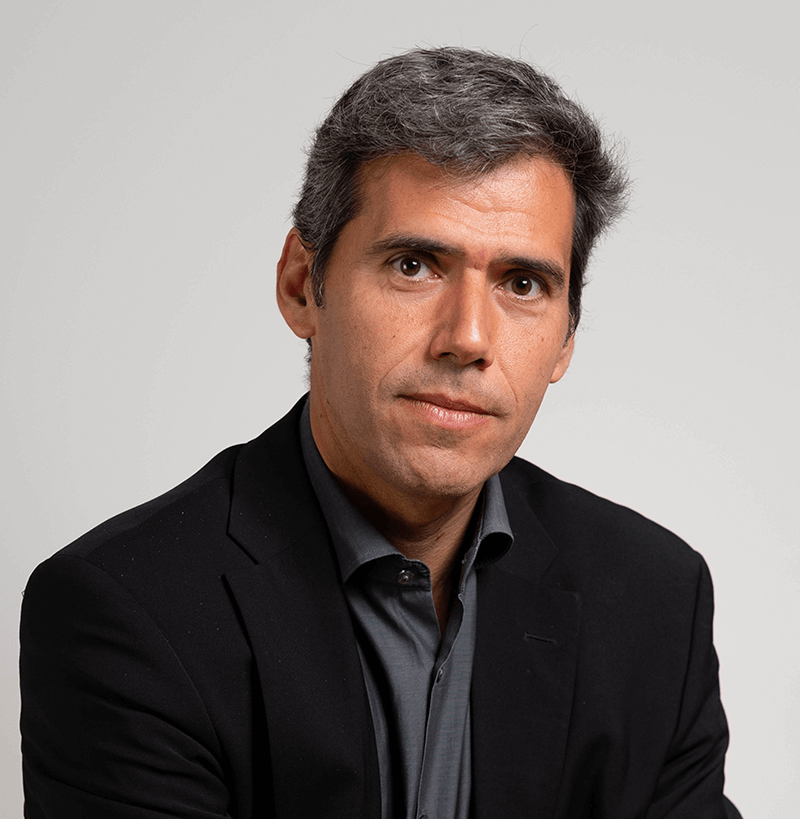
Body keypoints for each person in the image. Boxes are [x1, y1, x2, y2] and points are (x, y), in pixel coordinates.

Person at [20, 47, 742, 818]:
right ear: (303, 285)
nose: (467, 336)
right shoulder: (127, 610)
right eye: (413, 265)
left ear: (566, 338)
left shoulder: (655, 601)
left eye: (523, 284)